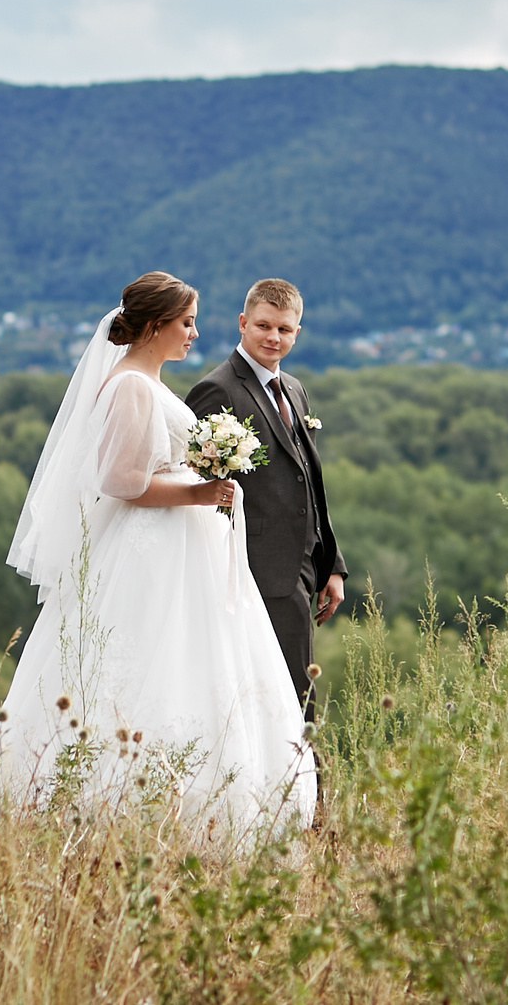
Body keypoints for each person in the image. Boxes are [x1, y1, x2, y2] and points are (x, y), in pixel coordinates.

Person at [0, 271, 316, 840]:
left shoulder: (144, 382)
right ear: (156, 326)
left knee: (182, 662)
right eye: (185, 323)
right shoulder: (131, 386)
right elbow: (122, 481)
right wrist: (200, 491)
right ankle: (118, 799)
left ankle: (186, 795)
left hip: (177, 547)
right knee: (144, 666)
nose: (192, 333)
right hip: (152, 549)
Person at [185, 278, 344, 715]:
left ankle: (300, 784)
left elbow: (308, 483)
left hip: (305, 564)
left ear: (297, 332)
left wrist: (332, 565)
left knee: (297, 690)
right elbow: (193, 484)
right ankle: (307, 784)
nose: (274, 337)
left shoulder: (293, 388)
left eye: (285, 330)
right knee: (285, 697)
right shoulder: (218, 389)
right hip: (253, 568)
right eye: (264, 326)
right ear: (242, 323)